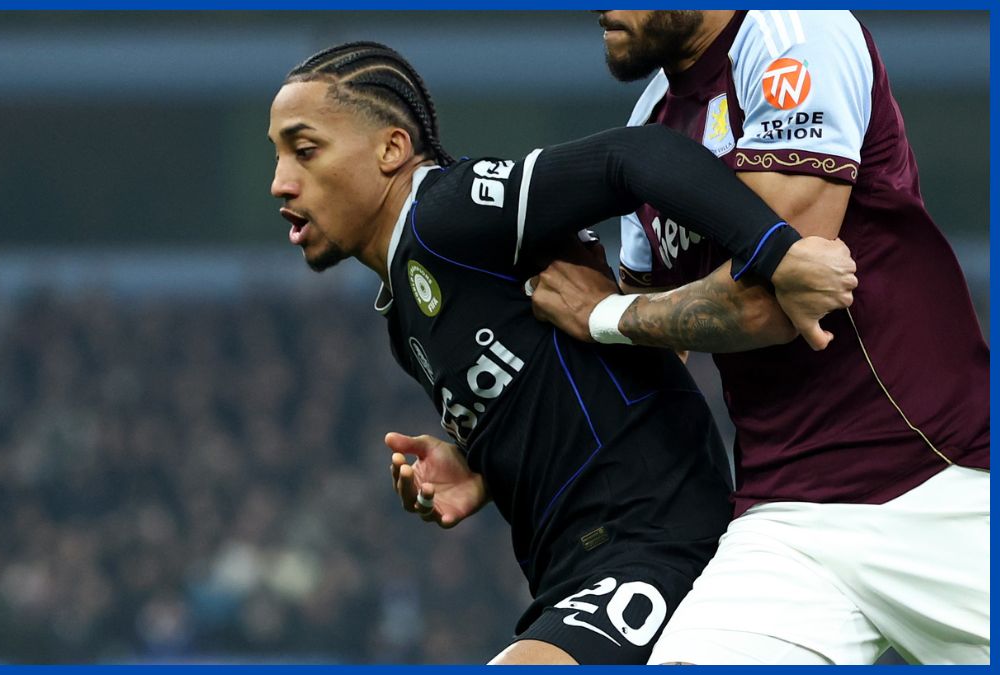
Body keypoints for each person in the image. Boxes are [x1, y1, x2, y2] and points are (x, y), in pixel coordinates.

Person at [268, 40, 856, 664]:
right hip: (572, 576)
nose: (280, 181)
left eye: (305, 151)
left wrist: (774, 250)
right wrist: (480, 464)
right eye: (277, 155)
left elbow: (636, 156)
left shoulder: (446, 210)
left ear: (391, 149)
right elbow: (560, 382)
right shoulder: (405, 317)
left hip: (657, 542)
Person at [526, 11, 990, 665]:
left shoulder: (795, 33)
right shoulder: (648, 128)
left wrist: (607, 314)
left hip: (941, 483)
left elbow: (776, 298)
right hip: (785, 523)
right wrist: (488, 453)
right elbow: (643, 367)